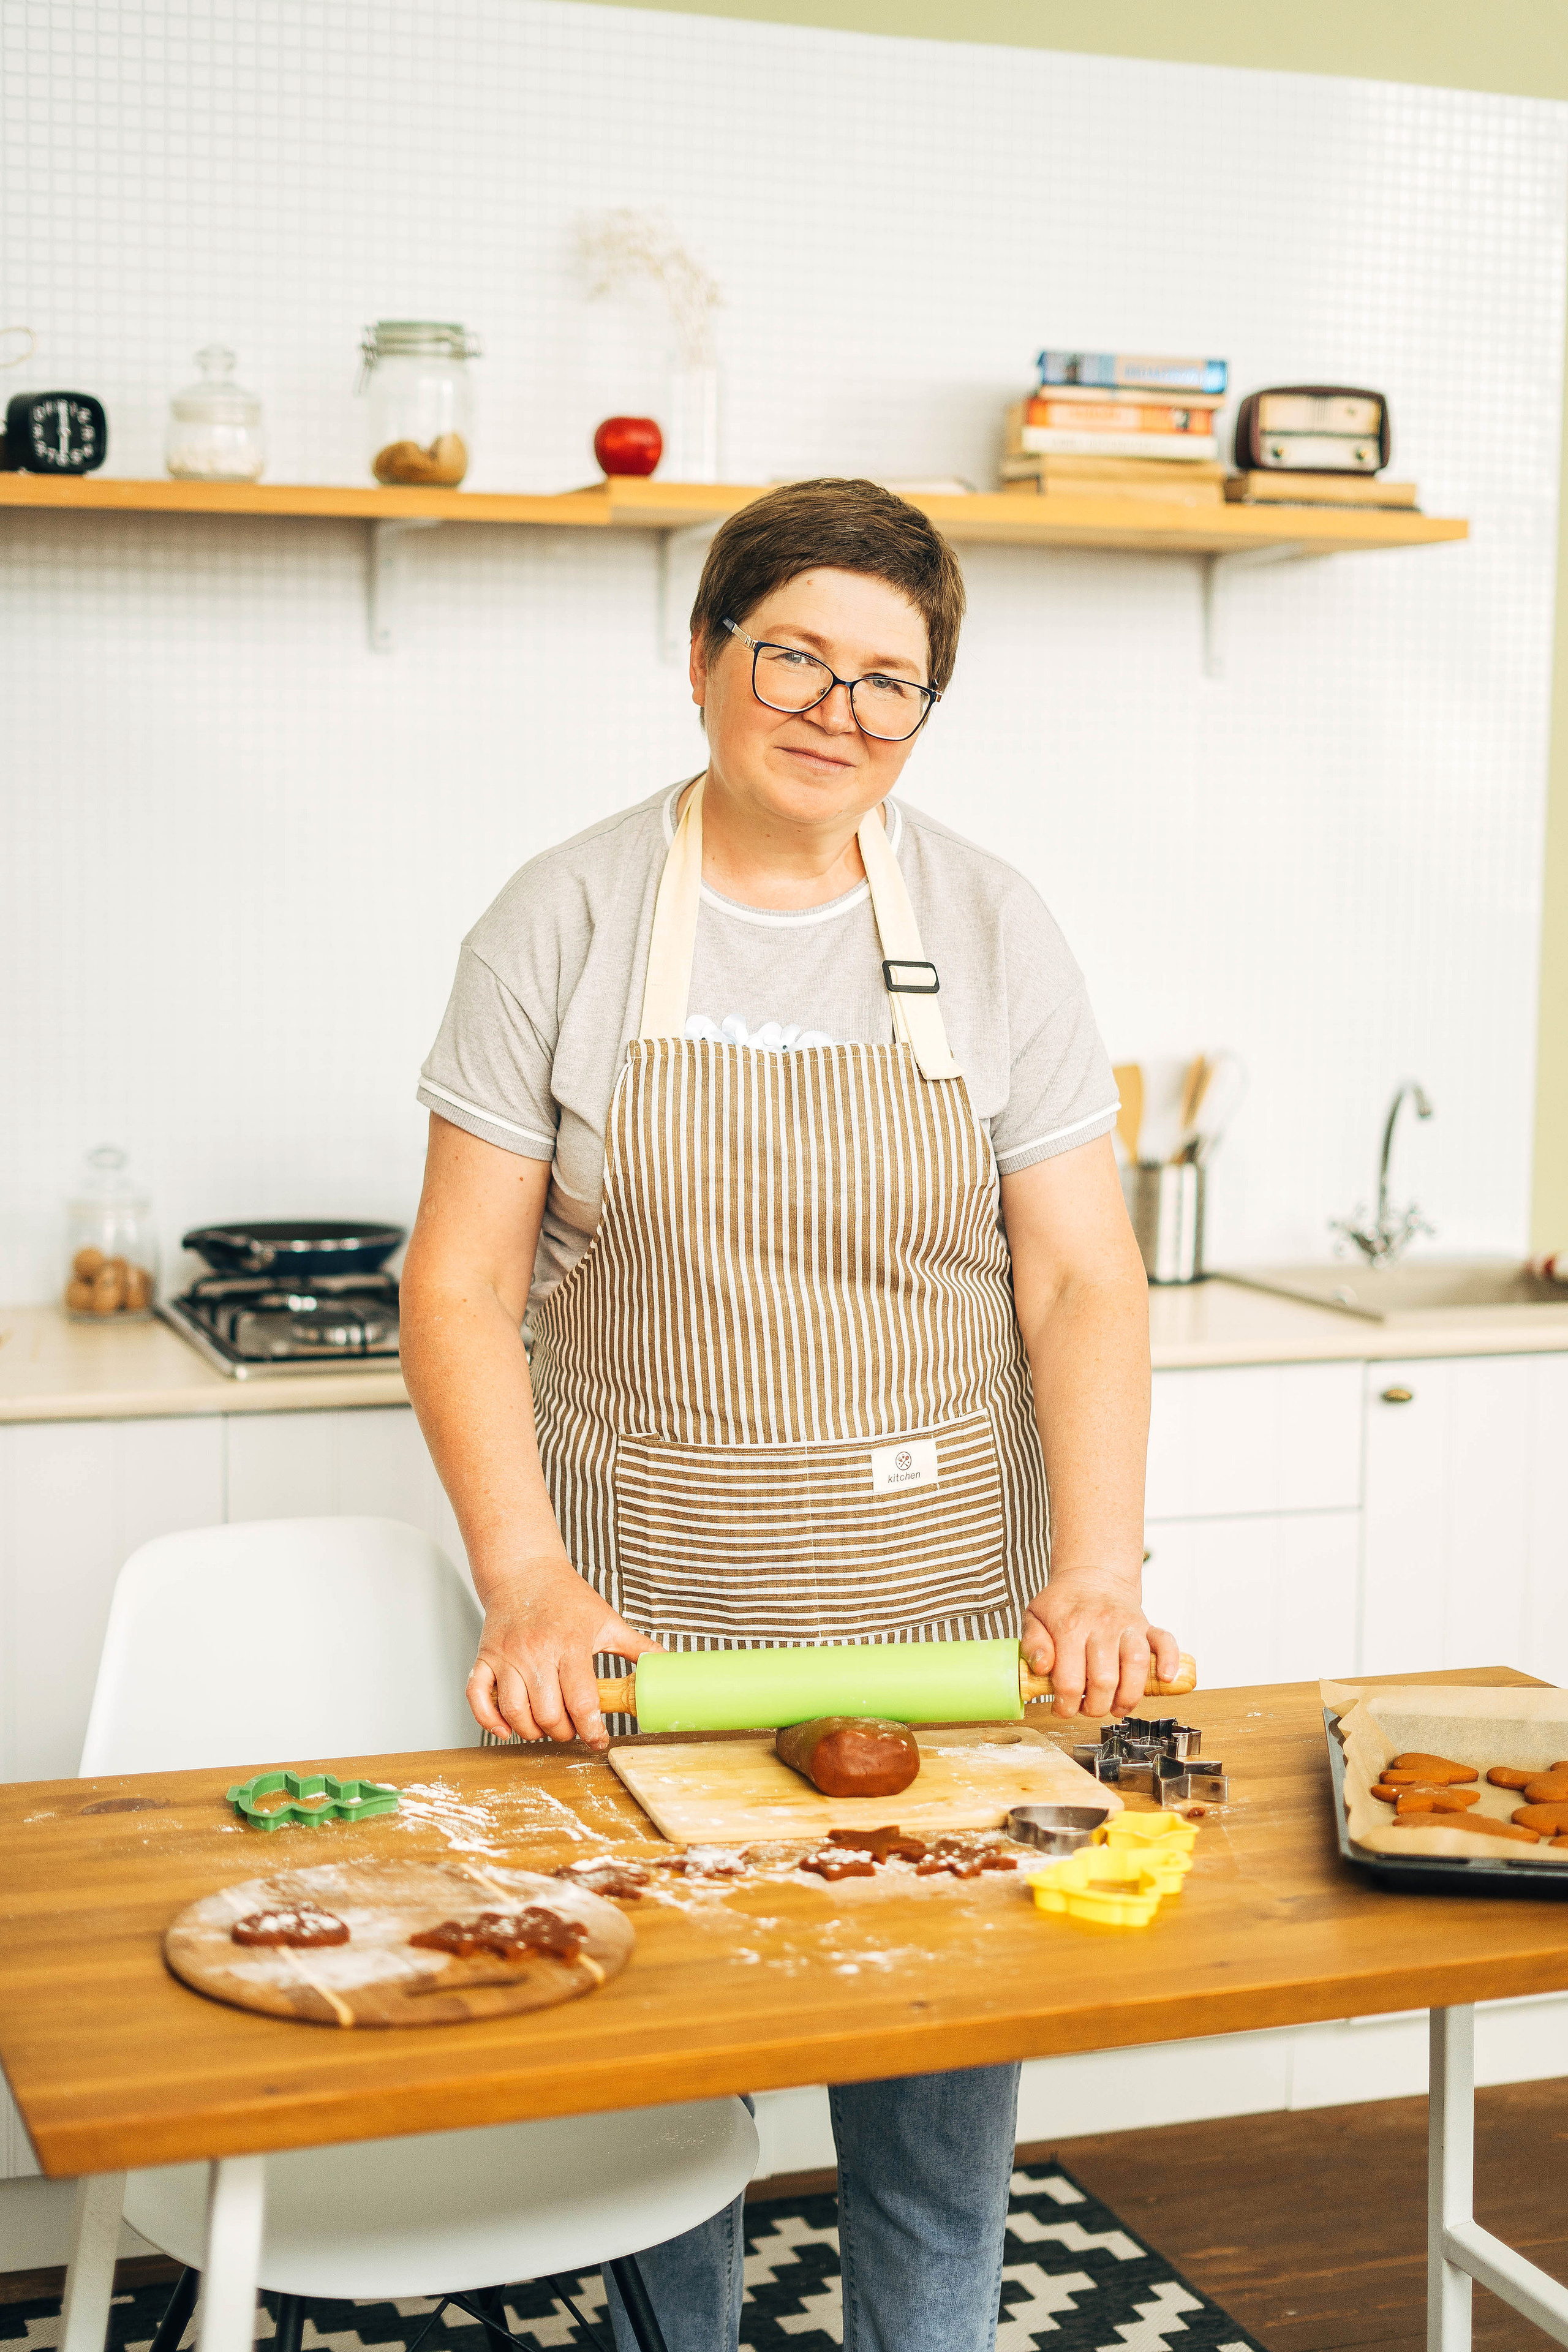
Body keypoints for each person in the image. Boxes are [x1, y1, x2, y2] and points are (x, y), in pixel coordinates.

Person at [400, 477, 1174, 2352]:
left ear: (925, 710)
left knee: (934, 2098)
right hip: (642, 1619)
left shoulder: (993, 923)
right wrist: (526, 1581)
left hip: (939, 1615)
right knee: (667, 2109)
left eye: (888, 680)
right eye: (795, 657)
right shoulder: (562, 916)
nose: (837, 709)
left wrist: (1095, 1572)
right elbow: (458, 1282)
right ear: (703, 663)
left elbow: (1081, 1273)